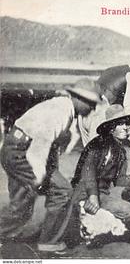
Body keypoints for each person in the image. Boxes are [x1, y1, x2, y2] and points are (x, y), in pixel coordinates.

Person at [0, 78, 102, 252]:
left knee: (50, 194)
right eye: (91, 103)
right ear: (79, 99)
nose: (92, 108)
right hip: (23, 152)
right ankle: (44, 241)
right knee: (24, 204)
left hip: (19, 148)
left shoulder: (65, 108)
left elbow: (54, 145)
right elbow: (41, 144)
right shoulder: (59, 112)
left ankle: (48, 241)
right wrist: (38, 175)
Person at [70, 104, 130, 234]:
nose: (126, 128)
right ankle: (84, 214)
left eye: (126, 124)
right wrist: (92, 196)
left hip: (102, 194)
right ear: (111, 128)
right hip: (85, 192)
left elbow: (119, 182)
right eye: (121, 124)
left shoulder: (120, 151)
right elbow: (88, 171)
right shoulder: (98, 145)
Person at [78, 55, 130, 151]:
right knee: (99, 157)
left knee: (88, 156)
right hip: (99, 113)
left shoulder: (116, 70)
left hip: (84, 111)